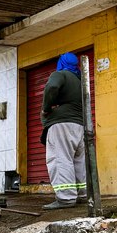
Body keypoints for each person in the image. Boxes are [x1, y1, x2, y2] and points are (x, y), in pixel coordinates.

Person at [41, 52, 86, 210]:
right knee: (78, 160)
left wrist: (46, 108)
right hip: (80, 125)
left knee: (60, 158)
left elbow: (52, 87)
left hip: (62, 124)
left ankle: (65, 198)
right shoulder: (81, 80)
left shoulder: (60, 74)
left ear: (62, 63)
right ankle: (82, 195)